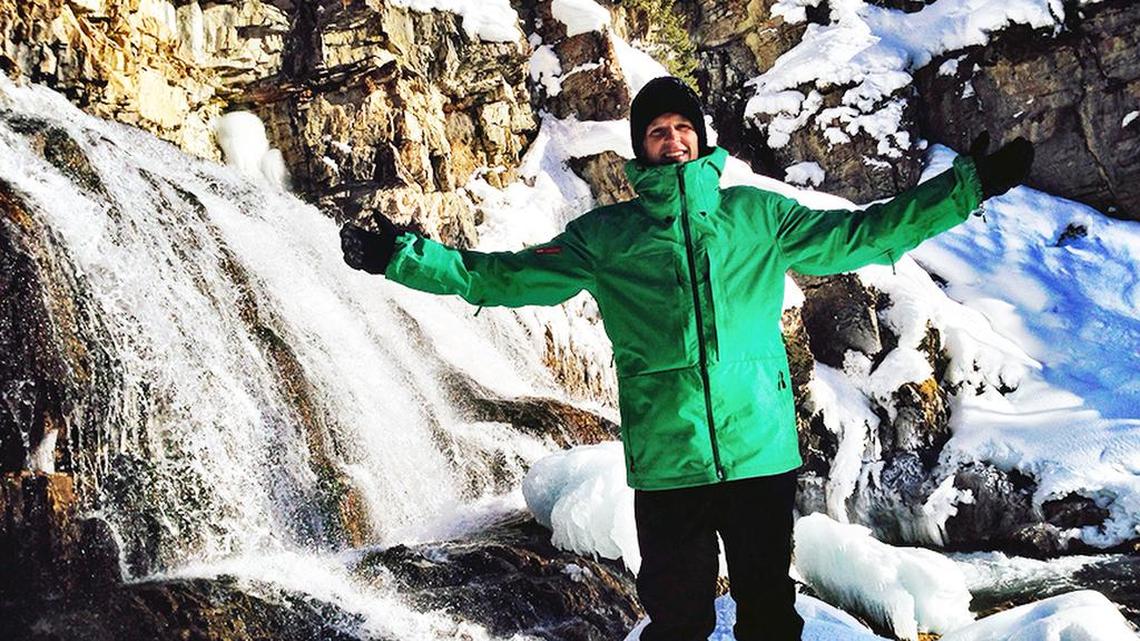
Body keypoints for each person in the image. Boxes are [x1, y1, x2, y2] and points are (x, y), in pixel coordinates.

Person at [340, 76, 1033, 641]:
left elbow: (867, 232)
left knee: (768, 614)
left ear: (699, 140)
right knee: (679, 622)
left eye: (681, 129)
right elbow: (500, 277)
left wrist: (968, 185)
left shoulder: (755, 217)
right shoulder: (607, 237)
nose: (672, 141)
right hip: (669, 461)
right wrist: (405, 256)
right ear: (642, 148)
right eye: (657, 132)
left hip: (759, 453)